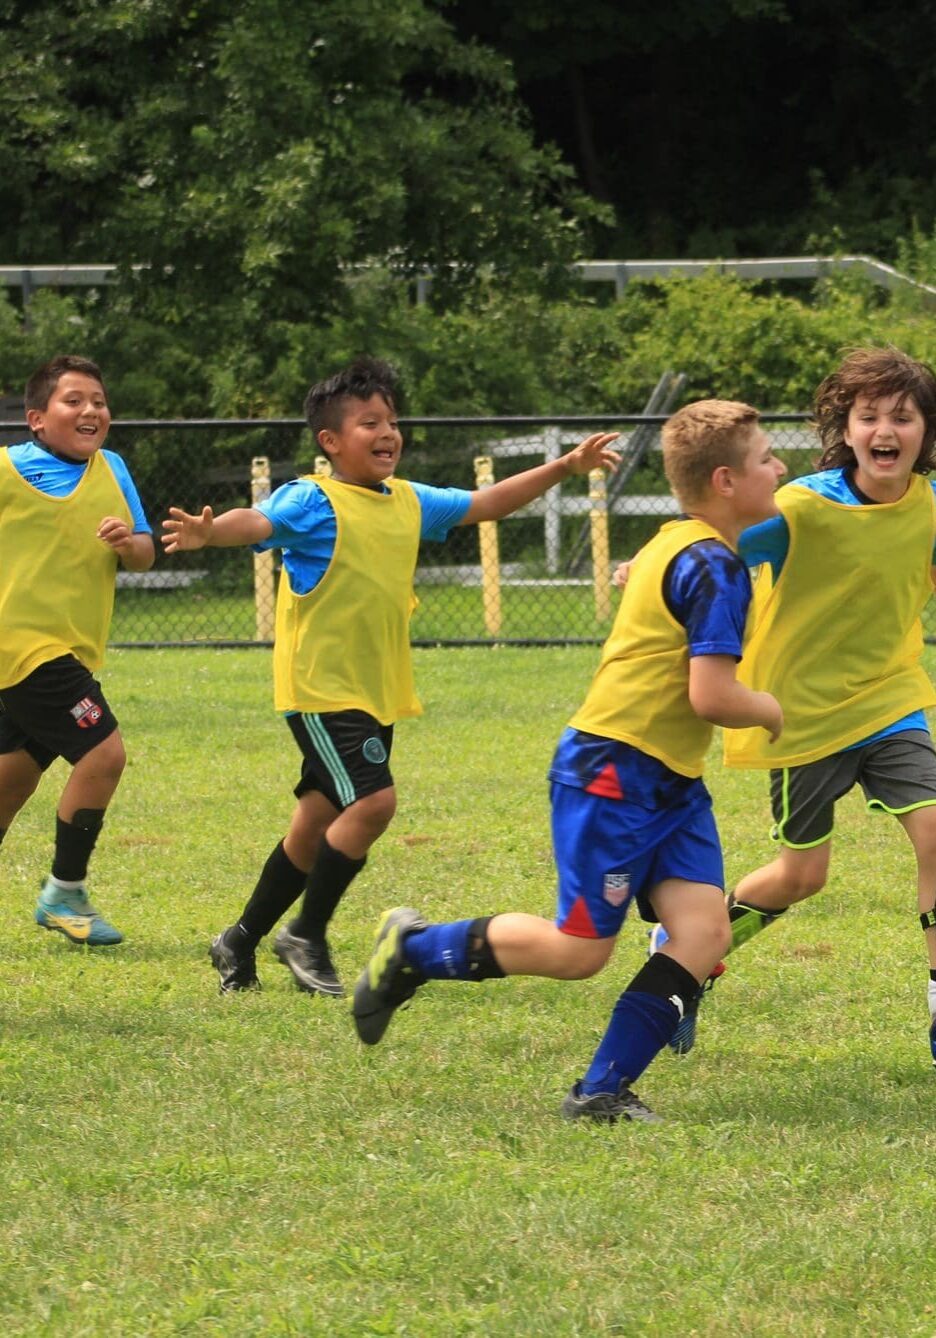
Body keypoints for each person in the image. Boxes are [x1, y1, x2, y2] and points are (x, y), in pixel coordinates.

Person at [352, 399, 786, 1124]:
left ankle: (600, 1091)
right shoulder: (711, 564)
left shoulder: (678, 541)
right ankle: (413, 950)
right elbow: (711, 694)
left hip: (669, 782)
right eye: (769, 458)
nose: (781, 468)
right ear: (726, 481)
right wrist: (775, 709)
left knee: (705, 930)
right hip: (614, 773)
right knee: (580, 949)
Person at [161, 357, 620, 997]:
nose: (388, 433)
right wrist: (213, 534)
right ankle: (306, 934)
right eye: (370, 422)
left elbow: (487, 503)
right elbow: (258, 522)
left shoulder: (408, 500)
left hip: (372, 692)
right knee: (373, 803)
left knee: (312, 827)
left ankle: (238, 940)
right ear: (330, 441)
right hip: (322, 691)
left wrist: (564, 468)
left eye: (393, 422)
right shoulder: (312, 498)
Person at [648, 346, 936, 1066]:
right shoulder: (801, 508)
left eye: (902, 416)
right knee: (803, 875)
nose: (885, 429)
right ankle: (688, 948)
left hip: (893, 700)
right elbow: (717, 539)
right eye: (868, 415)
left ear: (926, 431)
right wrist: (652, 565)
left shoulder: (931, 507)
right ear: (846, 428)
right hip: (799, 714)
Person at [0, 354, 155, 945]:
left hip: (74, 652)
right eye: (74, 400)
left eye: (99, 400)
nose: (91, 410)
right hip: (24, 651)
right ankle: (65, 893)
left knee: (10, 783)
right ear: (38, 418)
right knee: (104, 754)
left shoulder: (112, 469)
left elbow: (143, 552)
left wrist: (127, 542)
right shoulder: (8, 470)